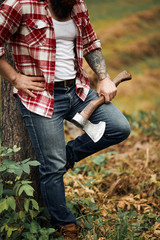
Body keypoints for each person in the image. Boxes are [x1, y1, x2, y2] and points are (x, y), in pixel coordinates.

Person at [0, 0, 130, 239]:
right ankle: (65, 225)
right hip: (40, 97)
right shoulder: (19, 5)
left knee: (119, 127)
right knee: (52, 168)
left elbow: (91, 43)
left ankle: (64, 157)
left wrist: (104, 78)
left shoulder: (77, 5)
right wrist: (15, 78)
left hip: (77, 91)